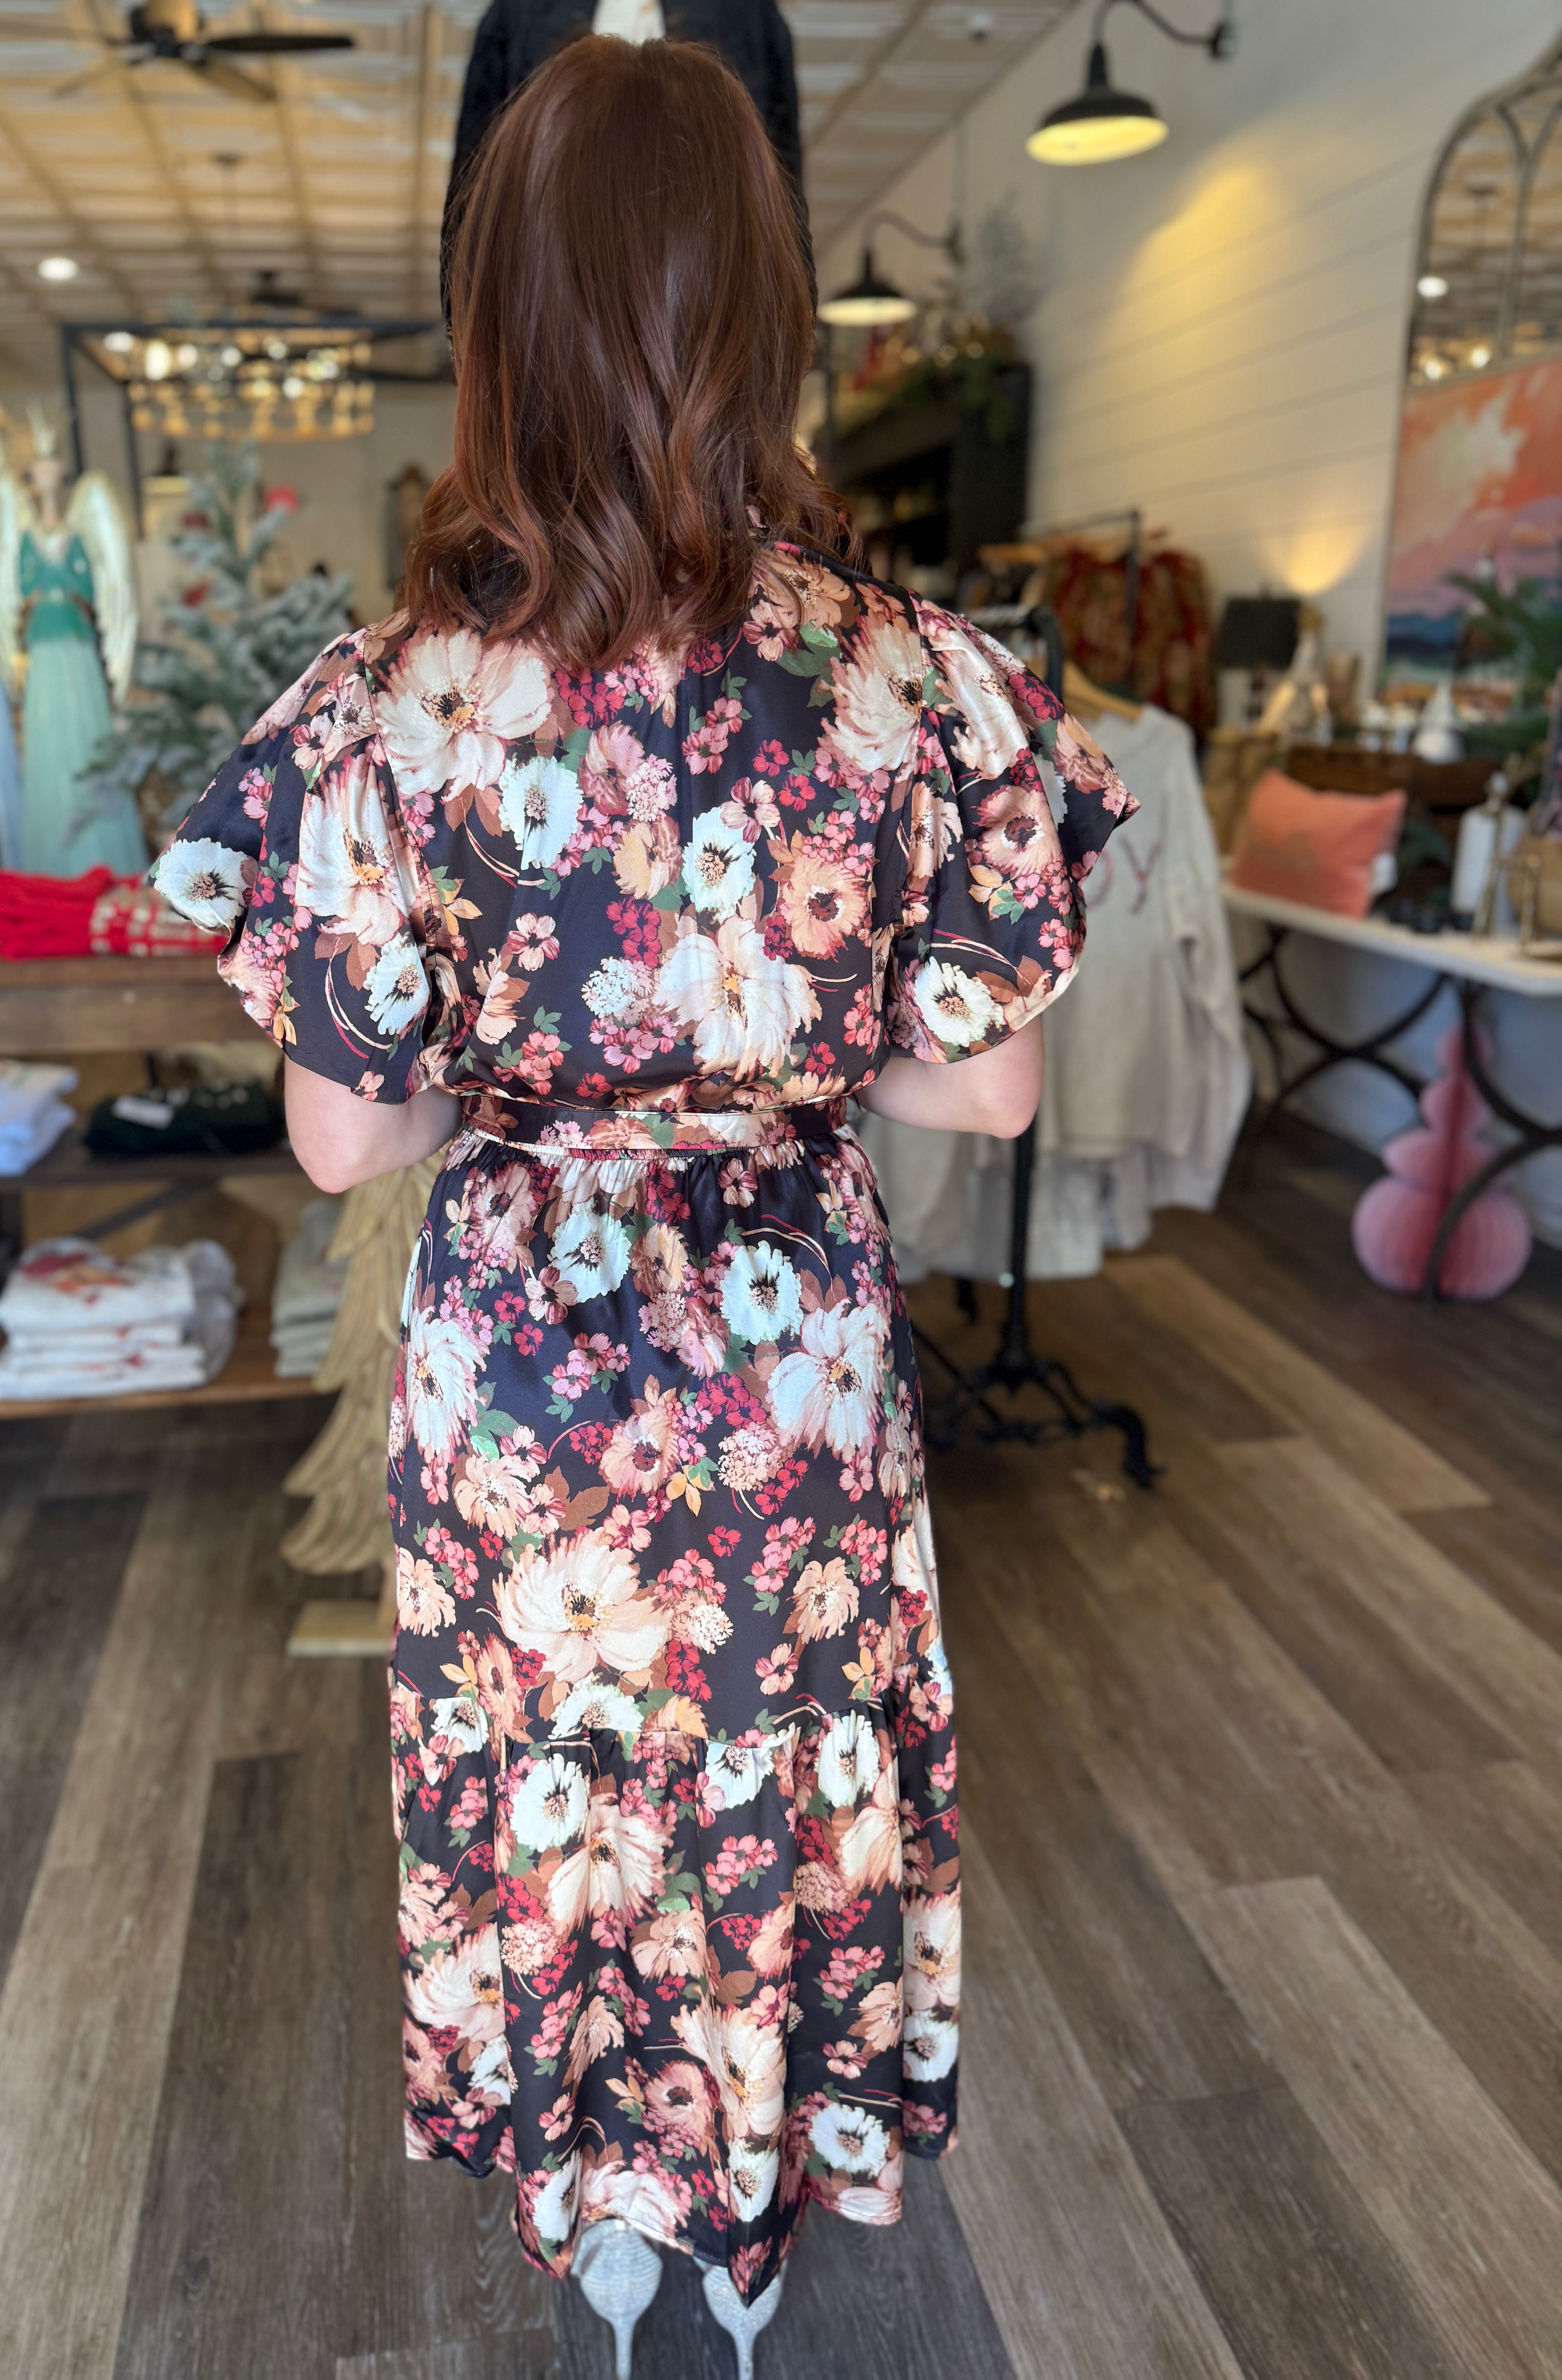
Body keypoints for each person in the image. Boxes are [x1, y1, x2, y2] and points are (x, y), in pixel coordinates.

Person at [153, 32, 1134, 2373]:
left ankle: (601, 2210)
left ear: (496, 312)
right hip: (791, 1354)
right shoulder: (908, 687)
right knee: (776, 1767)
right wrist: (763, 1056)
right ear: (767, 309)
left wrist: (554, 1085)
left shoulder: (390, 711)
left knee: (561, 1775)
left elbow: (344, 1141)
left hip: (524, 1363)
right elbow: (990, 1087)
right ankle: (750, 2209)